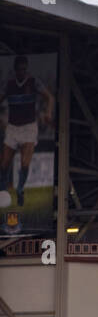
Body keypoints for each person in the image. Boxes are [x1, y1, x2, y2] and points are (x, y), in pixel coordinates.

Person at [1, 55, 55, 206]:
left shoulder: (34, 82)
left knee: (25, 163)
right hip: (12, 127)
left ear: (27, 68)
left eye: (24, 69)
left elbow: (49, 98)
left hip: (29, 127)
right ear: (15, 69)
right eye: (19, 69)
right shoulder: (9, 85)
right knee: (4, 163)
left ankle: (19, 190)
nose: (22, 72)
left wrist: (48, 113)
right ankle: (3, 191)